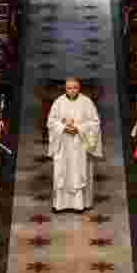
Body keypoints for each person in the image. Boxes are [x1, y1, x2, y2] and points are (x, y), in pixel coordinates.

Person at [47, 78, 103, 213]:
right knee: (62, 172)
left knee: (79, 172)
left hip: (80, 144)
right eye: (69, 88)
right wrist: (63, 128)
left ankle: (80, 204)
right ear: (65, 89)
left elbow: (95, 123)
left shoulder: (87, 102)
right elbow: (51, 122)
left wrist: (79, 128)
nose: (72, 90)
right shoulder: (58, 102)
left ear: (79, 88)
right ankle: (60, 205)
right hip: (63, 144)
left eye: (75, 88)